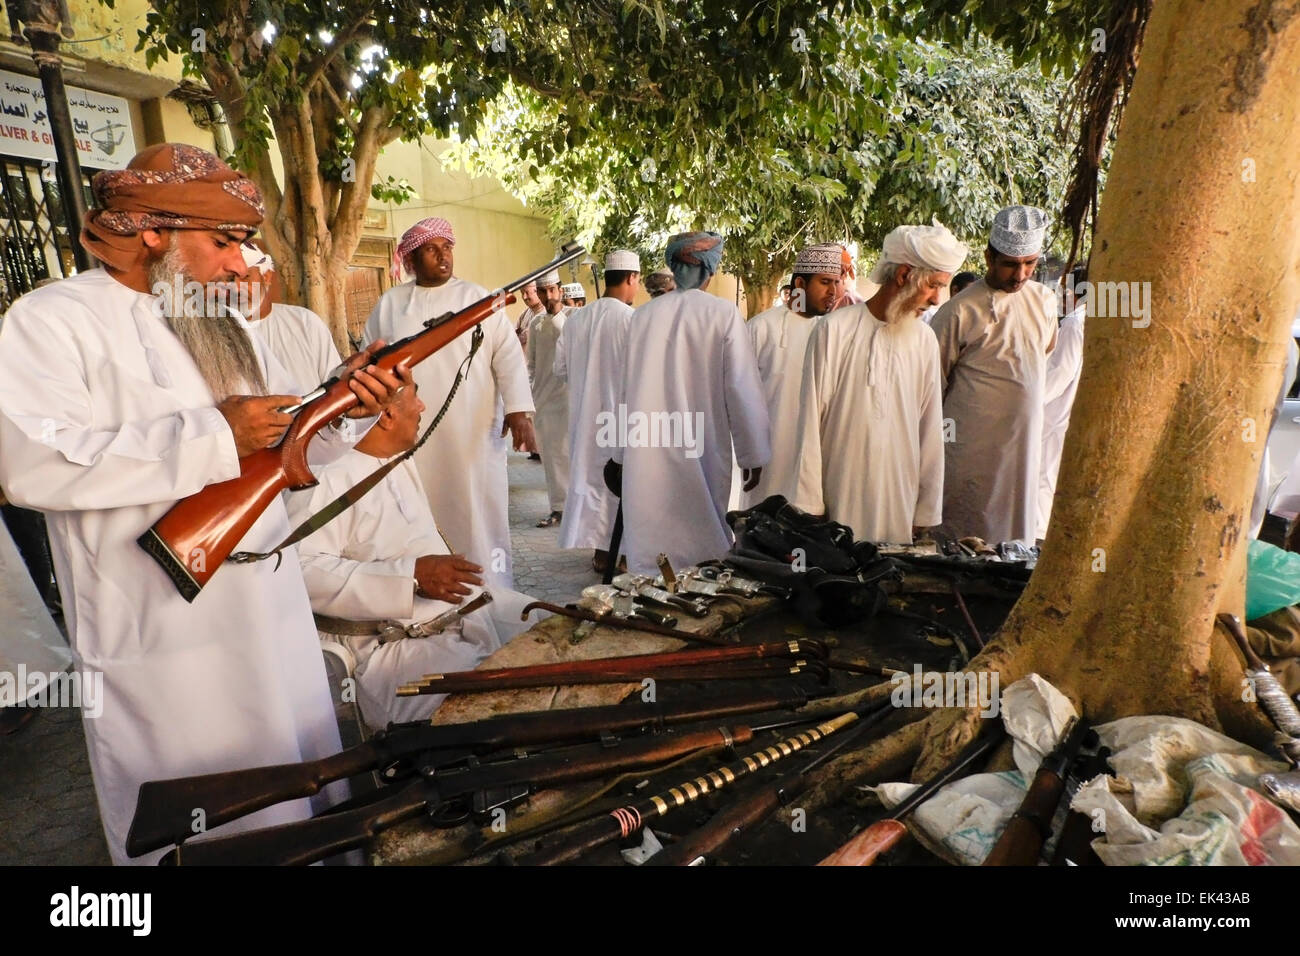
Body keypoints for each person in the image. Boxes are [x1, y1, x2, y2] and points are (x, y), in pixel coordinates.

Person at [0, 144, 397, 864]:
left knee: (296, 799)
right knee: (199, 816)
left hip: (269, 614)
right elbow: (30, 465)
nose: (239, 266)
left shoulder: (219, 320)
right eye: (223, 243)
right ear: (152, 232)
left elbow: (281, 449)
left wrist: (345, 408)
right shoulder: (52, 318)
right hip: (161, 634)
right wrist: (215, 432)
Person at [290, 381, 532, 730]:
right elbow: (300, 570)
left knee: (563, 631)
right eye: (415, 396)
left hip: (459, 618)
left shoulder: (393, 458)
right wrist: (411, 576)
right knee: (510, 713)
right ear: (386, 414)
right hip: (391, 650)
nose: (422, 407)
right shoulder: (329, 477)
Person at [365, 217, 538, 589]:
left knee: (477, 510)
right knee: (416, 508)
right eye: (431, 249)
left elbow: (507, 356)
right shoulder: (390, 304)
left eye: (447, 248)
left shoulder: (478, 298)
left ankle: (490, 586)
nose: (443, 257)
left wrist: (519, 412)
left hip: (471, 430)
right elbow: (371, 360)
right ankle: (423, 587)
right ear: (411, 260)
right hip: (409, 434)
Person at [792, 224, 966, 543]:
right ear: (903, 275)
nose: (937, 298)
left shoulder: (925, 340)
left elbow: (929, 426)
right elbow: (809, 424)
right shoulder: (834, 330)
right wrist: (810, 505)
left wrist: (925, 509)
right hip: (839, 492)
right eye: (933, 285)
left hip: (899, 496)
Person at [613, 231, 770, 574]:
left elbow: (623, 388)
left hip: (646, 445)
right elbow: (741, 388)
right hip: (702, 446)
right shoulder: (723, 314)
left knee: (651, 539)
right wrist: (753, 454)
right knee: (702, 532)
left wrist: (620, 452)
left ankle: (647, 598)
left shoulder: (641, 317)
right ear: (709, 271)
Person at [929, 205, 1058, 544]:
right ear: (989, 257)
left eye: (1029, 264)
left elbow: (1041, 354)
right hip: (968, 447)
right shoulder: (958, 310)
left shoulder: (1044, 301)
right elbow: (931, 385)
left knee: (1016, 538)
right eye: (1011, 265)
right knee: (964, 533)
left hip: (1023, 445)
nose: (1020, 274)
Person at [554, 250, 640, 572]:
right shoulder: (631, 320)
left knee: (591, 482)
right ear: (631, 278)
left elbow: (559, 369)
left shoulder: (576, 321)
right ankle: (624, 554)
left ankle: (602, 554)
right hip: (618, 419)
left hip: (584, 419)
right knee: (620, 485)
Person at [741, 242, 841, 508]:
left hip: (815, 461)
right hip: (767, 459)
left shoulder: (834, 334)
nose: (833, 291)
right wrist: (748, 453)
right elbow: (740, 398)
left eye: (836, 282)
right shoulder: (760, 328)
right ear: (800, 283)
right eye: (825, 282)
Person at [1037, 267, 1088, 539]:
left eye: (1064, 290)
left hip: (1057, 414)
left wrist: (1030, 401)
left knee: (1044, 477)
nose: (1061, 296)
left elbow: (1060, 371)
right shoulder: (1095, 317)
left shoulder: (1075, 322)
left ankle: (1037, 538)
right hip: (1071, 413)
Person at [527, 270, 570, 527]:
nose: (548, 296)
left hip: (568, 399)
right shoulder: (535, 323)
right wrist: (530, 394)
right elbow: (531, 363)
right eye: (543, 291)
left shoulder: (573, 318)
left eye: (552, 290)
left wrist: (555, 315)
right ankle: (557, 508)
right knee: (552, 457)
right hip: (543, 399)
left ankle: (574, 509)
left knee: (569, 455)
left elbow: (568, 340)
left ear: (560, 290)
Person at [515, 280, 543, 350]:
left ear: (537, 292)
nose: (524, 297)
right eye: (522, 293)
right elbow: (513, 334)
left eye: (527, 293)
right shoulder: (524, 314)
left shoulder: (547, 313)